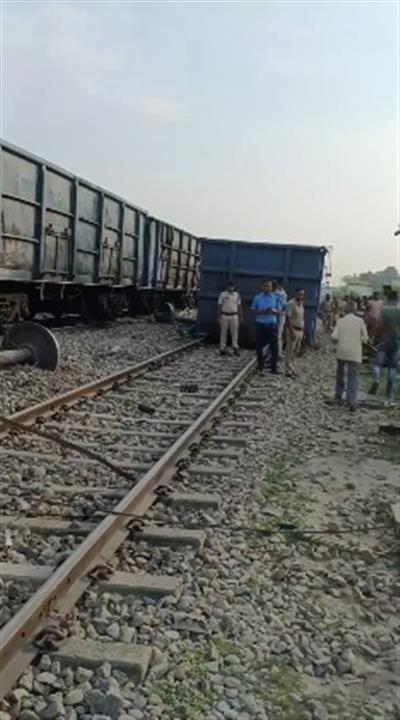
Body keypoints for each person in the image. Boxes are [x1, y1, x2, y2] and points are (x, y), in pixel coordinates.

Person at [331, 300, 368, 411]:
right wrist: (358, 339)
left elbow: (334, 337)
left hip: (342, 351)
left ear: (345, 310)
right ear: (355, 310)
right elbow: (365, 339)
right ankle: (351, 401)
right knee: (353, 377)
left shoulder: (340, 321)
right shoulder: (360, 321)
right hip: (355, 353)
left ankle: (338, 395)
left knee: (340, 373)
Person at [369, 290, 400, 400]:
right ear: (396, 299)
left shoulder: (385, 310)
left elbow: (380, 326)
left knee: (377, 364)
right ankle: (389, 393)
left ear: (389, 299)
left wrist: (375, 338)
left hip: (385, 341)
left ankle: (376, 380)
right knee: (392, 367)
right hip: (396, 341)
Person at [251, 280, 280, 373]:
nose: (267, 288)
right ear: (262, 287)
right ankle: (260, 367)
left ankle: (273, 368)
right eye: (265, 286)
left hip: (272, 324)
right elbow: (253, 311)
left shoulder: (276, 298)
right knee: (259, 347)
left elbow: (279, 311)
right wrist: (263, 311)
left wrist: (273, 311)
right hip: (261, 324)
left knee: (274, 348)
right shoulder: (257, 298)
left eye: (269, 286)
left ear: (272, 288)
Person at [217, 281, 242, 356]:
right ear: (227, 287)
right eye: (229, 286)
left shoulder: (237, 295)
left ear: (234, 287)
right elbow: (219, 306)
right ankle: (222, 347)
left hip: (234, 316)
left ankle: (235, 347)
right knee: (223, 332)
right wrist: (218, 316)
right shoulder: (223, 294)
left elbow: (239, 306)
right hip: (225, 315)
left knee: (234, 332)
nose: (231, 288)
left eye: (232, 286)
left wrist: (241, 316)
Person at [285, 288, 305, 377]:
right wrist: (292, 331)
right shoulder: (291, 303)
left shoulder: (301, 304)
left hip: (300, 330)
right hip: (292, 330)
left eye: (302, 294)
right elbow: (288, 318)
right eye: (299, 294)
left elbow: (301, 318)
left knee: (296, 351)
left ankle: (292, 368)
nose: (301, 296)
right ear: (295, 294)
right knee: (290, 350)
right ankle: (287, 370)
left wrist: (302, 332)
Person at [273, 280, 287, 358]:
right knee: (278, 335)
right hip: (280, 315)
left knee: (277, 335)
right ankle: (278, 353)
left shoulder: (275, 294)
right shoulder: (283, 294)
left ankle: (277, 353)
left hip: (278, 315)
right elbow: (284, 306)